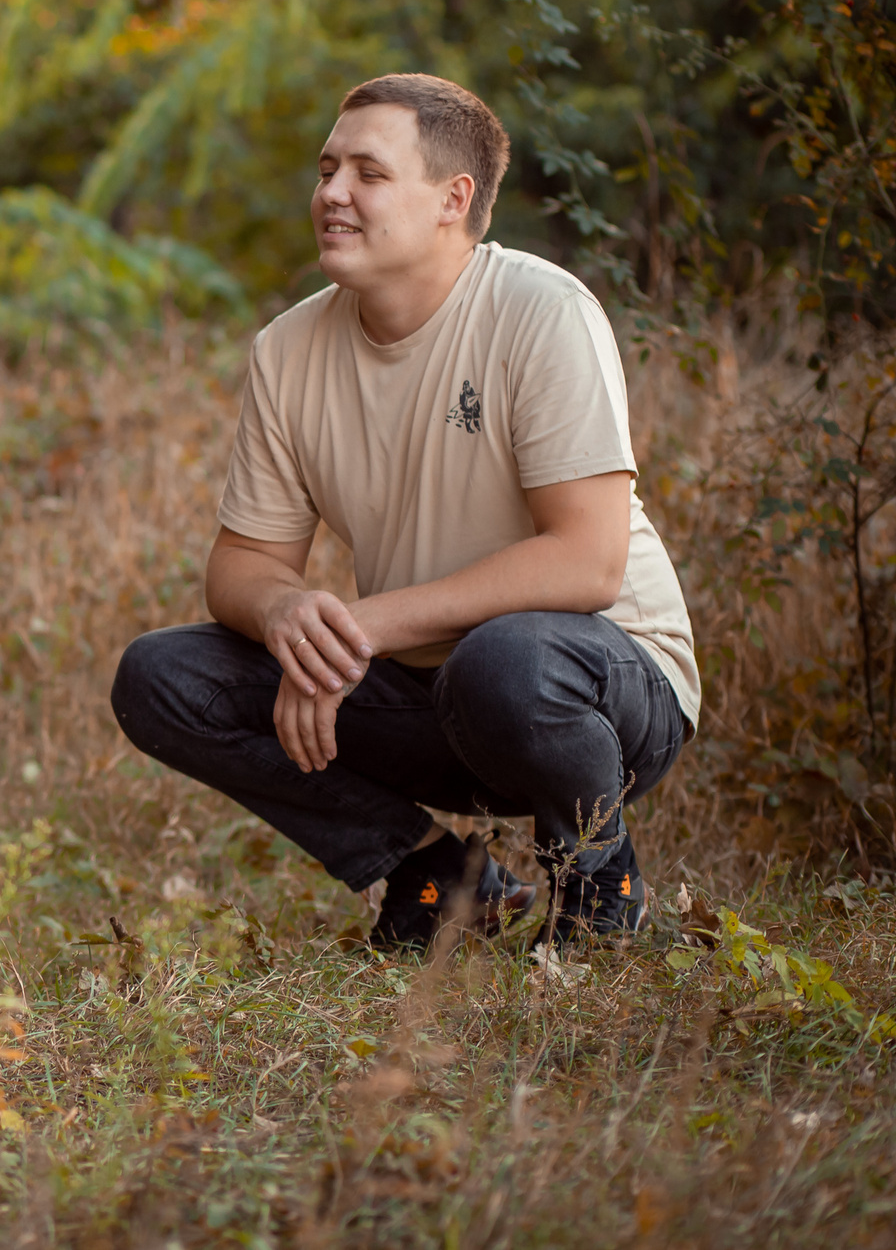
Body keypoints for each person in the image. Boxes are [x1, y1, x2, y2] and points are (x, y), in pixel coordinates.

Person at [110, 74, 697, 949]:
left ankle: (598, 885)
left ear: (453, 200)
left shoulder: (541, 312)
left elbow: (588, 561)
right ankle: (440, 876)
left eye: (368, 174)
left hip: (597, 688)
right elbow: (240, 564)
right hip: (429, 696)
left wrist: (365, 624)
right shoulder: (289, 349)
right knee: (163, 677)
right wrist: (287, 614)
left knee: (504, 660)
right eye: (325, 169)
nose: (331, 193)